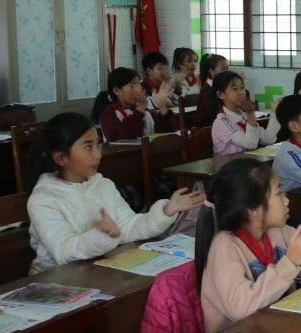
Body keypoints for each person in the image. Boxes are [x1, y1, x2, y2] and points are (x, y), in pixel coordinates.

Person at [25, 112, 206, 274]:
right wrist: (102, 236)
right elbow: (63, 252)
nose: (97, 155)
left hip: (97, 270)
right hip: (55, 278)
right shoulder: (43, 199)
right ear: (60, 158)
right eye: (88, 147)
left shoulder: (103, 185)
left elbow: (127, 226)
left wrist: (166, 211)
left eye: (97, 144)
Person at [196, 159, 301, 333]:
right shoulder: (225, 247)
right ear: (253, 209)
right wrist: (291, 261)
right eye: (278, 193)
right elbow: (241, 308)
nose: (286, 201)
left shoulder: (279, 231)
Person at [211, 72, 264, 156]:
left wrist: (274, 115)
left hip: (244, 161)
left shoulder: (243, 115)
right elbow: (251, 144)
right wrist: (250, 114)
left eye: (242, 87)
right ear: (221, 94)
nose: (242, 92)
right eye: (235, 89)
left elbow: (266, 139)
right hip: (227, 166)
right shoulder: (222, 122)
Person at [98, 67, 156, 143]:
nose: (138, 89)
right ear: (117, 91)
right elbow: (123, 136)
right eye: (132, 86)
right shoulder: (108, 116)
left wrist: (163, 107)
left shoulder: (143, 111)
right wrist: (141, 107)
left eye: (138, 84)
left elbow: (167, 130)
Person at [141, 51, 178, 132]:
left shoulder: (164, 85)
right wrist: (162, 99)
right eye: (159, 68)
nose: (164, 71)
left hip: (164, 120)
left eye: (165, 68)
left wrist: (170, 83)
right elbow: (150, 106)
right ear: (148, 71)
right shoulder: (142, 87)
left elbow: (175, 102)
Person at [197, 53, 230, 126]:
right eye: (223, 69)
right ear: (211, 72)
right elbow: (214, 115)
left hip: (222, 123)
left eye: (227, 68)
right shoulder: (207, 90)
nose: (227, 72)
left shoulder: (220, 86)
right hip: (207, 128)